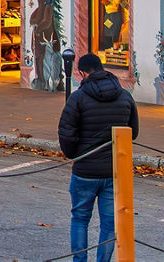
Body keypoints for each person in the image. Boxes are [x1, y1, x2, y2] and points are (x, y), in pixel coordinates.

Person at [58, 53, 140, 262]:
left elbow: (66, 134)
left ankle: (80, 261)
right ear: (102, 68)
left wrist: (76, 155)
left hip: (85, 171)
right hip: (114, 171)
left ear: (82, 73)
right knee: (110, 224)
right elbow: (133, 132)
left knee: (80, 219)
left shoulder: (78, 97)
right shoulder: (125, 96)